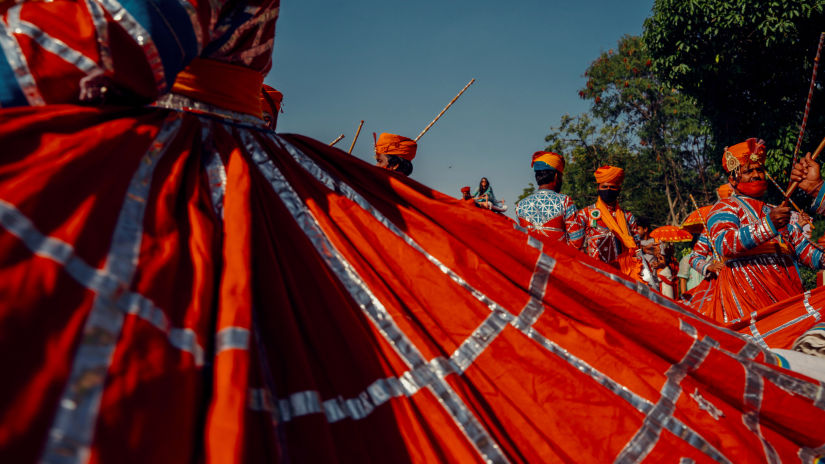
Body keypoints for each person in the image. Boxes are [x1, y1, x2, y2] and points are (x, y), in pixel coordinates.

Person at [0, 3, 824, 462]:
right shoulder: (574, 213)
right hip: (235, 190)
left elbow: (116, 35)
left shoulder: (590, 214)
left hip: (207, 168)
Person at [704, 138, 825, 323]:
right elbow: (723, 244)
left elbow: (801, 249)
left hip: (787, 293)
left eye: (759, 169)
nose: (756, 175)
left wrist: (821, 258)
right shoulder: (725, 207)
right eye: (748, 171)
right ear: (733, 179)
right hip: (746, 295)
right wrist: (768, 225)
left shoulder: (775, 210)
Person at [576, 165, 644, 280]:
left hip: (623, 275)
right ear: (598, 188)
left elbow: (636, 247)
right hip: (596, 274)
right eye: (605, 186)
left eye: (612, 187)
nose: (608, 190)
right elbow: (577, 246)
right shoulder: (585, 214)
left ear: (619, 190)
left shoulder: (627, 216)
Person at [515, 151, 582, 247]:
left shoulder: (520, 205)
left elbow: (521, 240)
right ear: (556, 176)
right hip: (558, 260)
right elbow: (577, 240)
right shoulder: (565, 202)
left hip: (531, 260)